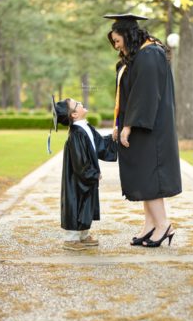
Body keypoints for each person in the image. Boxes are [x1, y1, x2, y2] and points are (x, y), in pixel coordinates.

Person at [104, 13, 182, 248]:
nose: (116, 46)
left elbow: (145, 94)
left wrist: (128, 125)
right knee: (143, 176)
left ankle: (163, 225)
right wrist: (119, 123)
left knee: (150, 177)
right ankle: (150, 225)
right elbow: (129, 93)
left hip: (151, 129)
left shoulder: (150, 54)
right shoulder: (139, 55)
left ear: (128, 36)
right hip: (142, 126)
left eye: (117, 41)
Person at [51, 96, 117, 251]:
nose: (81, 103)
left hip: (85, 177)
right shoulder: (76, 134)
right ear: (74, 114)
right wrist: (92, 173)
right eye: (77, 104)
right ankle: (71, 239)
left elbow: (98, 145)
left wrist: (112, 139)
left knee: (86, 203)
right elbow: (80, 161)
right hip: (77, 178)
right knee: (76, 202)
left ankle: (83, 235)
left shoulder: (86, 127)